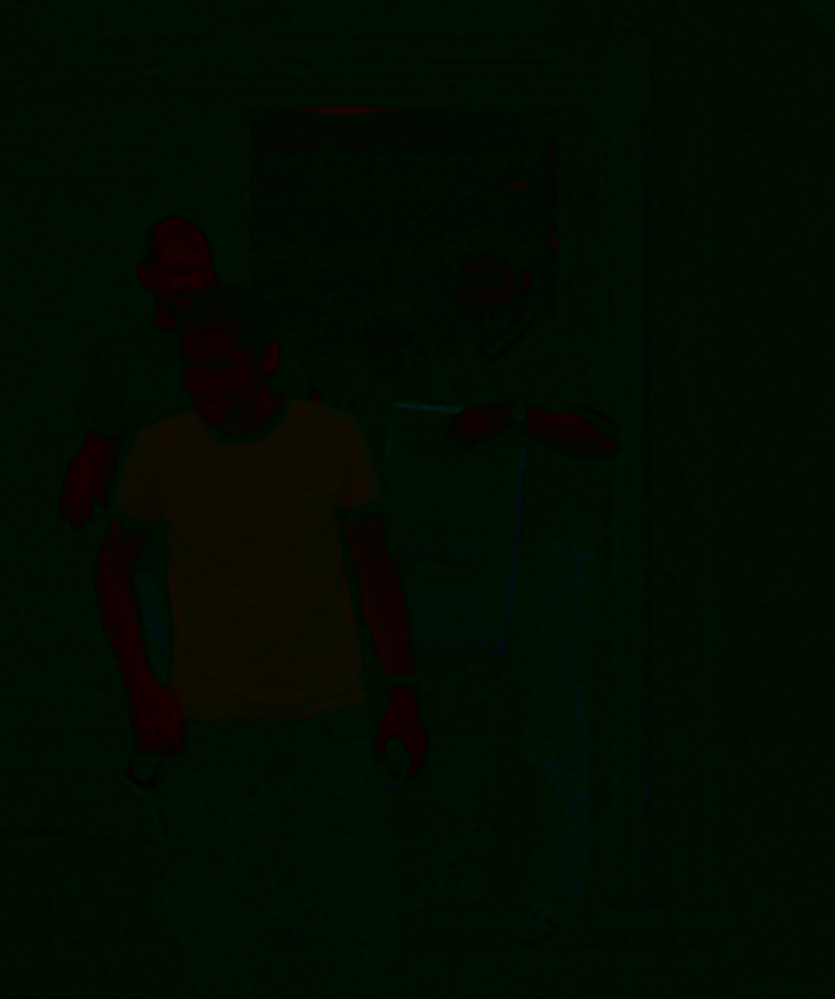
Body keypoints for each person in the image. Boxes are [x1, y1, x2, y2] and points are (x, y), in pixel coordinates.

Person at [93, 283, 424, 999]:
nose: (204, 381)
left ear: (266, 361)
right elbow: (111, 569)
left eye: (222, 366)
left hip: (320, 715)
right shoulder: (164, 448)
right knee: (221, 924)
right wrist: (142, 688)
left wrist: (401, 688)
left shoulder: (329, 438)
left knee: (345, 918)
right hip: (216, 723)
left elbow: (375, 568)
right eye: (193, 367)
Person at [390, 230, 618, 945]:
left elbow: (606, 437)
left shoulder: (562, 347)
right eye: (471, 275)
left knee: (548, 733)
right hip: (467, 566)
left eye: (494, 274)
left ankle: (551, 896)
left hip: (547, 560)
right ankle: (461, 882)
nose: (481, 290)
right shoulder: (448, 355)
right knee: (467, 728)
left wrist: (517, 418)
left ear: (524, 280)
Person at [59, 217, 325, 700]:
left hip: (247, 561)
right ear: (147, 276)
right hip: (160, 562)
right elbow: (102, 443)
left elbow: (306, 433)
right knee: (174, 696)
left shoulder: (259, 339)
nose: (195, 282)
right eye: (180, 272)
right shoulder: (122, 354)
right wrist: (84, 468)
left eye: (204, 270)